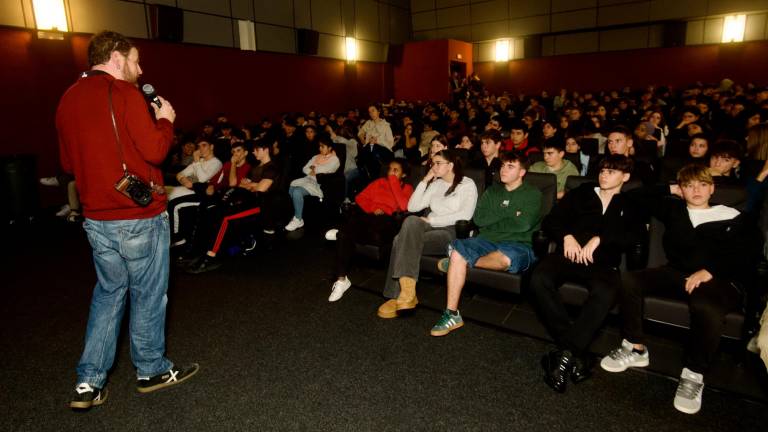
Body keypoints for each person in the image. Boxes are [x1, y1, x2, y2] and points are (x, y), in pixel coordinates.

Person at [55, 31, 197, 410]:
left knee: (107, 295)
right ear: (116, 58)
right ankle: (151, 369)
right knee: (149, 295)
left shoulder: (67, 98)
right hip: (139, 217)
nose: (140, 68)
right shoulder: (125, 94)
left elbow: (68, 164)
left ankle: (89, 382)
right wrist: (165, 121)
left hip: (96, 220)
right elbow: (155, 150)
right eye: (135, 60)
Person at [601, 164, 755, 414]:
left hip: (720, 278)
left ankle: (694, 373)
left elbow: (748, 253)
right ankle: (636, 347)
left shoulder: (733, 216)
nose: (696, 190)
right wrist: (670, 187)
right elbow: (630, 196)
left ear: (712, 188)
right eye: (689, 185)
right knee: (629, 280)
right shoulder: (674, 209)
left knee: (705, 305)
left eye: (702, 185)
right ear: (681, 189)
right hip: (676, 273)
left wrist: (711, 270)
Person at [530, 155, 644, 392]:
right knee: (539, 278)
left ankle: (563, 355)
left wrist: (600, 239)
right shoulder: (582, 193)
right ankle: (574, 352)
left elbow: (633, 237)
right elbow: (551, 220)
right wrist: (567, 236)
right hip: (567, 255)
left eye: (612, 172)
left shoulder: (630, 203)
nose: (604, 175)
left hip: (602, 263)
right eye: (602, 171)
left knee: (607, 290)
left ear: (625, 177)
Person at [430, 151, 541, 336]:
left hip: (518, 244)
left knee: (505, 259)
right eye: (503, 165)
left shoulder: (533, 194)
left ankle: (460, 263)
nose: (503, 170)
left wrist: (497, 215)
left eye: (510, 166)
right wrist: (511, 213)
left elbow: (524, 224)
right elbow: (480, 219)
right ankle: (451, 314)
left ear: (522, 172)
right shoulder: (493, 191)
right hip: (486, 240)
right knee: (459, 249)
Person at [378, 150, 478, 319]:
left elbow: (464, 216)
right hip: (427, 226)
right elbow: (412, 207)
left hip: (451, 232)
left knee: (398, 240)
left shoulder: (467, 185)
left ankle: (398, 295)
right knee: (410, 221)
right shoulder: (436, 184)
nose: (434, 166)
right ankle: (408, 294)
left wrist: (431, 221)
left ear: (451, 165)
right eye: (433, 163)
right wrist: (425, 181)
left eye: (438, 163)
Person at [327, 159, 414, 302]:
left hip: (387, 222)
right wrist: (373, 208)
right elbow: (360, 197)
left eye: (396, 170)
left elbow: (404, 206)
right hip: (370, 216)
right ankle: (342, 280)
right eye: (390, 169)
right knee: (348, 230)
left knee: (347, 233)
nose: (391, 172)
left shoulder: (407, 188)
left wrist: (393, 184)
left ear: (404, 175)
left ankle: (343, 232)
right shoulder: (379, 182)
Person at [285, 136, 341, 231]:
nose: (320, 148)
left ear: (330, 148)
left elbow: (326, 170)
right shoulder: (316, 157)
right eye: (319, 146)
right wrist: (314, 169)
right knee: (292, 186)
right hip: (308, 179)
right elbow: (304, 168)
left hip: (320, 183)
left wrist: (314, 168)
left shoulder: (335, 159)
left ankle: (298, 219)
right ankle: (297, 215)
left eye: (322, 147)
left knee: (297, 192)